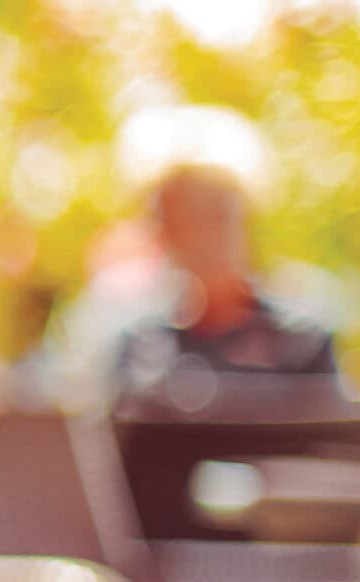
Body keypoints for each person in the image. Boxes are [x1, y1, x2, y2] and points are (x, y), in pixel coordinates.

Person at [109, 164, 342, 414]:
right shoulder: (143, 350)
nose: (206, 238)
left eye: (218, 217)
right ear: (167, 236)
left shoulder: (301, 343)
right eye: (188, 222)